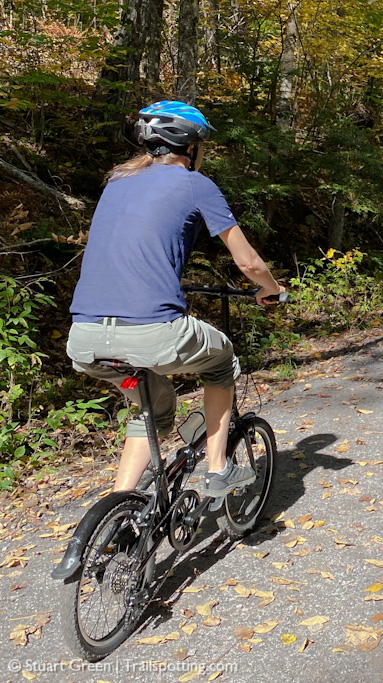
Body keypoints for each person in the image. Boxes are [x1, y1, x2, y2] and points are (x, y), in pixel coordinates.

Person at [66, 100, 285, 496]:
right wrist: (272, 290)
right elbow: (249, 263)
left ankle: (119, 506)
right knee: (221, 360)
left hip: (84, 338)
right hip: (151, 332)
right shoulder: (194, 183)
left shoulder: (117, 181)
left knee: (154, 407)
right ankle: (218, 469)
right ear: (191, 146)